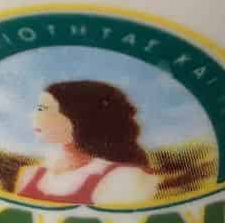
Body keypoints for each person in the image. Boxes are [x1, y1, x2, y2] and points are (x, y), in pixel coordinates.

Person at [15, 80, 159, 204]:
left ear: (78, 117)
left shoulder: (123, 178)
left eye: (42, 109)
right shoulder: (30, 174)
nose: (33, 115)